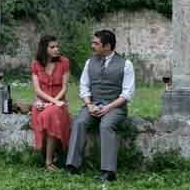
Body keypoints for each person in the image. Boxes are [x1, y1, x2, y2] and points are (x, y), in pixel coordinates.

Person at [65, 29, 135, 181]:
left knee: (106, 125)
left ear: (107, 46)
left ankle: (108, 172)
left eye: (96, 43)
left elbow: (127, 94)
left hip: (115, 107)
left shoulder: (126, 64)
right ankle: (72, 165)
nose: (92, 46)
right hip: (93, 104)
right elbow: (84, 86)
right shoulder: (90, 62)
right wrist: (89, 105)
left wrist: (108, 108)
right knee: (79, 122)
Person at [30, 35, 71, 170]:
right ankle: (48, 156)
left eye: (57, 46)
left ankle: (49, 161)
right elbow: (37, 90)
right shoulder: (36, 63)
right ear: (44, 48)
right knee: (42, 112)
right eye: (52, 47)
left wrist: (55, 102)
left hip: (59, 103)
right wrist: (49, 102)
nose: (56, 49)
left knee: (51, 114)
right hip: (43, 102)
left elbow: (64, 87)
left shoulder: (64, 62)